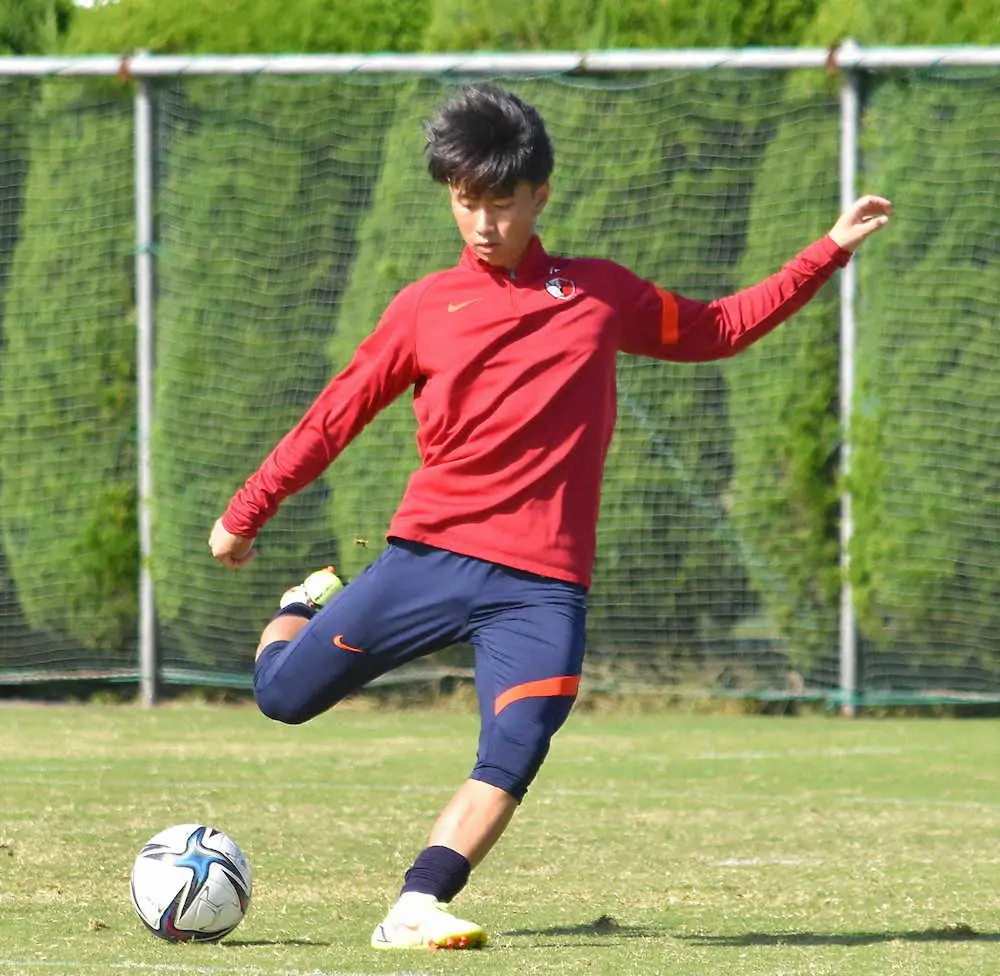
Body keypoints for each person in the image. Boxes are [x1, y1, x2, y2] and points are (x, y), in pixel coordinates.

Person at [209, 83, 891, 951]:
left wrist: (827, 250)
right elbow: (336, 414)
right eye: (465, 203)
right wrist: (248, 508)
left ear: (541, 194)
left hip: (542, 585)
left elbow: (719, 327)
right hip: (430, 556)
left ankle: (416, 906)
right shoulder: (424, 307)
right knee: (281, 698)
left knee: (518, 742)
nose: (483, 223)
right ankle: (305, 602)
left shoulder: (600, 295)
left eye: (500, 202)